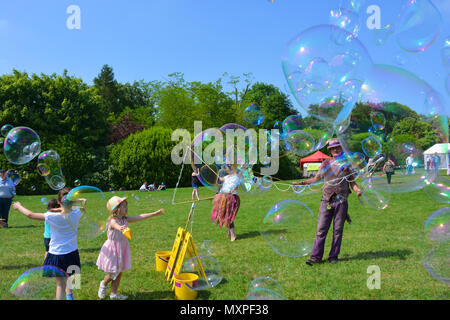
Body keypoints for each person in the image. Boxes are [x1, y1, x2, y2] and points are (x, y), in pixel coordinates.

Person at [292, 138, 362, 265]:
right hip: (327, 201)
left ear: (341, 149)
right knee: (321, 230)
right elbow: (316, 179)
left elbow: (352, 182)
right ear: (329, 150)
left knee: (338, 231)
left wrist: (357, 190)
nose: (335, 149)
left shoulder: (347, 165)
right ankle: (315, 257)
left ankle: (333, 257)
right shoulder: (325, 164)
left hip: (341, 202)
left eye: (338, 147)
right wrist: (301, 183)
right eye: (333, 148)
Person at [13, 187, 81, 300]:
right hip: (72, 253)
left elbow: (30, 215)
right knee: (72, 281)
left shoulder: (51, 216)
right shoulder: (77, 213)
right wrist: (77, 201)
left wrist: (19, 206)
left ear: (59, 202)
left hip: (56, 255)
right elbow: (76, 206)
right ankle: (70, 297)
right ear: (73, 202)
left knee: (60, 284)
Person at [97, 196, 164, 300]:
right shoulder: (112, 220)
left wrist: (155, 213)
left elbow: (140, 216)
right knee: (113, 272)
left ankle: (113, 294)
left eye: (126, 206)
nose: (126, 208)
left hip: (122, 247)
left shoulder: (125, 219)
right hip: (113, 248)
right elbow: (114, 225)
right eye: (124, 206)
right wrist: (120, 228)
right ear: (116, 209)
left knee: (119, 272)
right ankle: (104, 283)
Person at [211, 165, 241, 242]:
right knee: (224, 215)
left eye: (228, 168)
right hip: (223, 197)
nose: (227, 170)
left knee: (229, 216)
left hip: (231, 198)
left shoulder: (236, 178)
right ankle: (229, 232)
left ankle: (233, 235)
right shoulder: (227, 177)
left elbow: (232, 187)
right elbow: (221, 180)